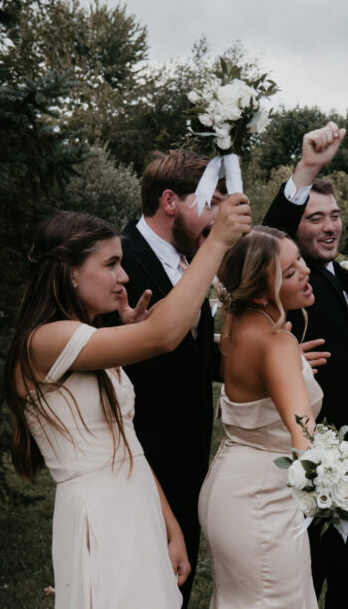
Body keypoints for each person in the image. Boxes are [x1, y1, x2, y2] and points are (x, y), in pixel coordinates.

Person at [3, 196, 250, 609]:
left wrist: (171, 529)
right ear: (70, 272)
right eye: (110, 264)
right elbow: (164, 335)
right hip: (99, 513)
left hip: (136, 502)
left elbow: (127, 443)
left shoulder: (87, 338)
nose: (124, 276)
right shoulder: (44, 340)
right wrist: (216, 243)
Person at [263, 124, 348, 607]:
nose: (329, 227)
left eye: (333, 217)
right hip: (308, 455)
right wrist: (307, 171)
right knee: (306, 576)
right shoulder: (285, 288)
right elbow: (266, 235)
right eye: (315, 219)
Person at [117, 149, 226, 606]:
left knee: (177, 589)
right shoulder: (118, 262)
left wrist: (257, 360)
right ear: (169, 201)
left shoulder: (189, 259)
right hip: (137, 463)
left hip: (189, 460)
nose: (219, 215)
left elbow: (193, 355)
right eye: (211, 201)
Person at [198, 226, 322, 608]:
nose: (305, 271)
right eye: (289, 271)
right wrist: (332, 481)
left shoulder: (236, 325)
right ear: (259, 292)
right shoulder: (276, 342)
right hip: (264, 499)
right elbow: (304, 435)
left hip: (231, 484)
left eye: (300, 259)